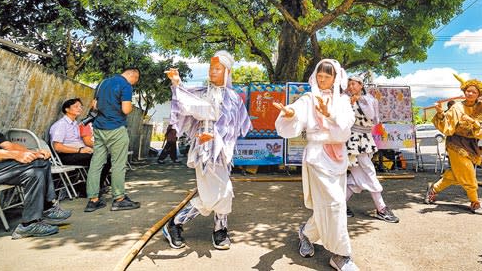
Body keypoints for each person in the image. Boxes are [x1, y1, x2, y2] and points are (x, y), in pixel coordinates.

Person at [273, 59, 358, 271]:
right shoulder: (309, 98)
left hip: (338, 157)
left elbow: (346, 126)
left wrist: (329, 114)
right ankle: (341, 255)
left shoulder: (343, 101)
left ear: (335, 78)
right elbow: (297, 111)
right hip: (318, 157)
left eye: (327, 76)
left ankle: (306, 233)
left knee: (329, 205)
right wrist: (291, 114)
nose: (322, 79)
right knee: (336, 203)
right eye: (319, 75)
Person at [162, 50, 251, 250]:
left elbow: (236, 126)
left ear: (227, 72)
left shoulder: (235, 98)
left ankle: (211, 227)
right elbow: (186, 103)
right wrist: (177, 83)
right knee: (221, 192)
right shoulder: (202, 92)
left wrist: (225, 140)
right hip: (205, 149)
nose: (212, 72)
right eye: (211, 68)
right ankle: (187, 225)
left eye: (217, 68)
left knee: (222, 191)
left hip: (224, 152)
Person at [0, 85, 71, 239]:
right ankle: (42, 211)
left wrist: (32, 152)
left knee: (38, 166)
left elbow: (9, 145)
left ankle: (32, 221)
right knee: (35, 168)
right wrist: (14, 155)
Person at [424, 76, 482, 214]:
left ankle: (434, 189)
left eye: (473, 92)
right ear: (464, 91)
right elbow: (446, 125)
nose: (470, 93)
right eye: (468, 91)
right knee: (467, 171)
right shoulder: (457, 107)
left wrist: (473, 122)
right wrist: (439, 112)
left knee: (457, 174)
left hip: (472, 144)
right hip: (455, 143)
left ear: (478, 94)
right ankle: (475, 201)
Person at [84, 67, 140, 212]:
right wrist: (130, 107)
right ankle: (119, 199)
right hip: (115, 128)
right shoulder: (125, 85)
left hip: (98, 128)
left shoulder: (103, 82)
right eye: (136, 80)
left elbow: (94, 105)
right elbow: (126, 109)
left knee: (96, 163)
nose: (134, 83)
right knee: (118, 164)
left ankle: (93, 200)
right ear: (132, 75)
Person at [345, 75, 399, 223]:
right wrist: (350, 103)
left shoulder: (369, 99)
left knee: (356, 179)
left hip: (366, 139)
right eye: (349, 84)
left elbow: (372, 117)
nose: (351, 87)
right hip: (354, 139)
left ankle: (340, 205)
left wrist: (359, 101)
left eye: (354, 84)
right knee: (369, 171)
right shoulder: (345, 100)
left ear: (361, 85)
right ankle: (381, 208)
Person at [49, 98, 110, 194]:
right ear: (67, 109)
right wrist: (80, 150)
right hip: (66, 155)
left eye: (81, 107)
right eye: (76, 106)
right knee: (99, 159)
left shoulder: (75, 124)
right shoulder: (61, 125)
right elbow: (57, 147)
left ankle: (95, 187)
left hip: (79, 152)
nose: (80, 109)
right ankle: (90, 190)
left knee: (107, 157)